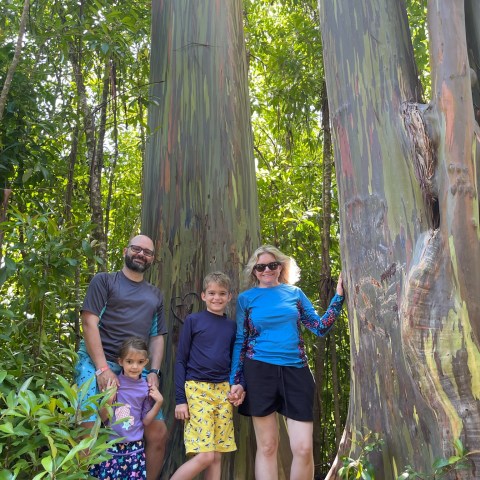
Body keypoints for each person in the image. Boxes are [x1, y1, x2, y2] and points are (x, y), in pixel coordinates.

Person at [229, 245, 344, 480]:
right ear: (254, 271)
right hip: (259, 371)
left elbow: (319, 327)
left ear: (281, 267)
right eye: (261, 267)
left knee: (303, 448)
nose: (267, 270)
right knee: (268, 446)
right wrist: (236, 381)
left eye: (272, 265)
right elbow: (241, 340)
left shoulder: (294, 293)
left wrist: (339, 298)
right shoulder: (246, 299)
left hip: (296, 370)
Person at [75, 234, 168, 480]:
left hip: (136, 369)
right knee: (89, 429)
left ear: (152, 259)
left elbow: (157, 336)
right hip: (98, 362)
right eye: (137, 249)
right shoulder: (104, 282)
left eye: (147, 252)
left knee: (158, 433)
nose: (141, 254)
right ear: (126, 250)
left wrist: (155, 373)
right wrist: (102, 369)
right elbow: (88, 322)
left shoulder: (155, 295)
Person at [171, 272, 244, 480]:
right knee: (205, 456)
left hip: (222, 391)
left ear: (229, 296)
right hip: (197, 390)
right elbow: (180, 361)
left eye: (222, 293)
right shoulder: (193, 321)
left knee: (217, 456)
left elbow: (235, 361)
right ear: (203, 295)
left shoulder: (231, 326)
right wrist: (180, 400)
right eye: (211, 293)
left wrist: (238, 385)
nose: (216, 298)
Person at [89, 337, 164, 479]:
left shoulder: (145, 388)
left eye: (140, 362)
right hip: (110, 447)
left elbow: (146, 421)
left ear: (146, 363)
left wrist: (159, 402)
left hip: (134, 449)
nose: (134, 366)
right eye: (130, 361)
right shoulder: (113, 383)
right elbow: (103, 419)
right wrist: (109, 399)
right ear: (120, 361)